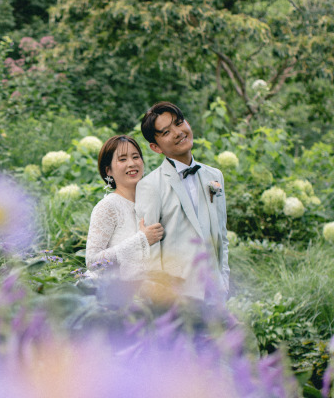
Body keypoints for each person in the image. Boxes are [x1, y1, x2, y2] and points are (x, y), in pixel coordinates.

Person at [135, 102, 229, 301]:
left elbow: (221, 235)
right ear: (155, 147)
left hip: (214, 293)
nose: (178, 132)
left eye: (179, 123)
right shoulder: (151, 186)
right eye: (167, 132)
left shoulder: (215, 176)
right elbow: (149, 249)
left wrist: (225, 281)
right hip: (177, 297)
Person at [85, 135, 164, 281]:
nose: (132, 163)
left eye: (136, 157)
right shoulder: (108, 206)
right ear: (108, 170)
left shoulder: (154, 201)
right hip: (114, 295)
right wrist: (141, 240)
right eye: (122, 159)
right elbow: (92, 262)